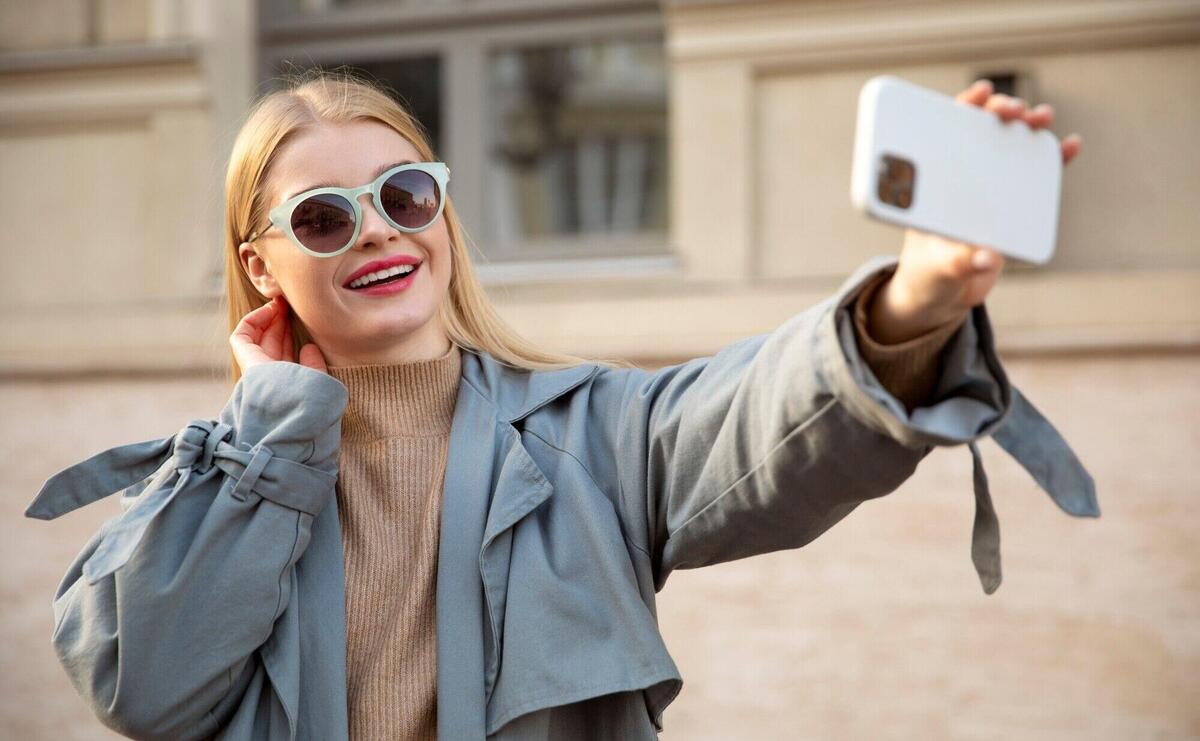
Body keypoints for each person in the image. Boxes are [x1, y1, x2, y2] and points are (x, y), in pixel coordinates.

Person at [27, 70, 1090, 740]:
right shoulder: (216, 480)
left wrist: (919, 296)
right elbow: (144, 689)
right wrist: (270, 440)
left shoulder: (594, 433)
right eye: (322, 217)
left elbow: (761, 418)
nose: (379, 233)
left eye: (405, 195)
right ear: (261, 267)